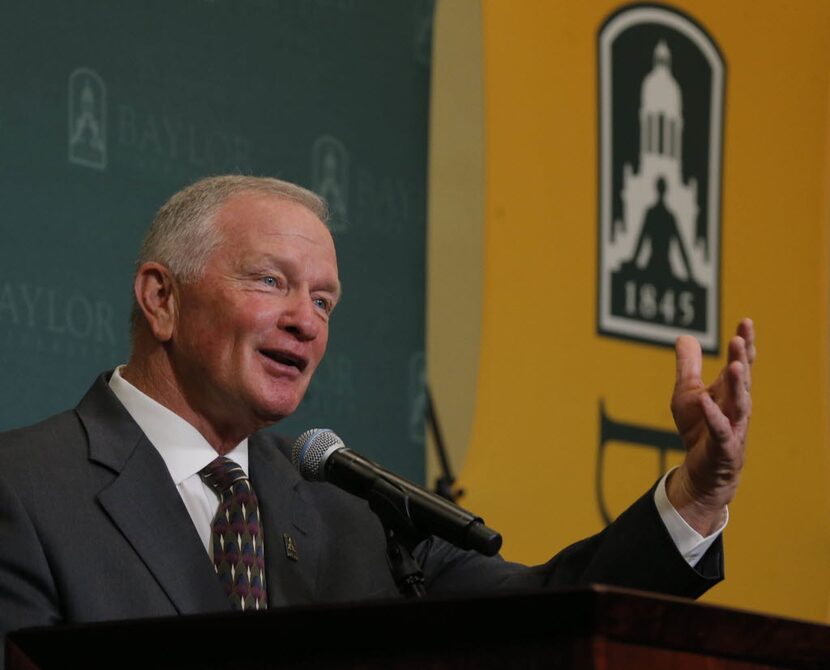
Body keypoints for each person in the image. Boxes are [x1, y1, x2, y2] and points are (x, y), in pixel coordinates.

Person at [0, 176, 755, 657]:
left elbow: (546, 615)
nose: (308, 322)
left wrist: (696, 496)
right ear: (161, 298)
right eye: (272, 282)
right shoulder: (25, 490)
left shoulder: (354, 515)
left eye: (324, 301)